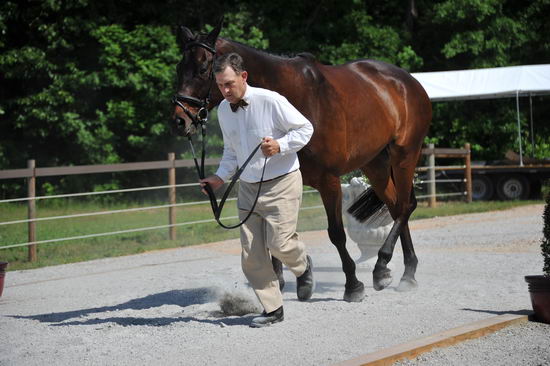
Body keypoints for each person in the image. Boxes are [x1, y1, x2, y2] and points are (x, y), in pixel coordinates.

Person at [199, 52, 315, 328]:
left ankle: (302, 265)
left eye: (229, 83)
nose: (225, 91)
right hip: (248, 188)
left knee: (280, 243)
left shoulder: (271, 100)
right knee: (251, 255)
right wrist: (219, 178)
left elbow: (306, 128)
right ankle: (273, 309)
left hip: (282, 181)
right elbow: (231, 151)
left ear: (243, 76)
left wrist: (280, 145)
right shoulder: (223, 111)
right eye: (220, 85)